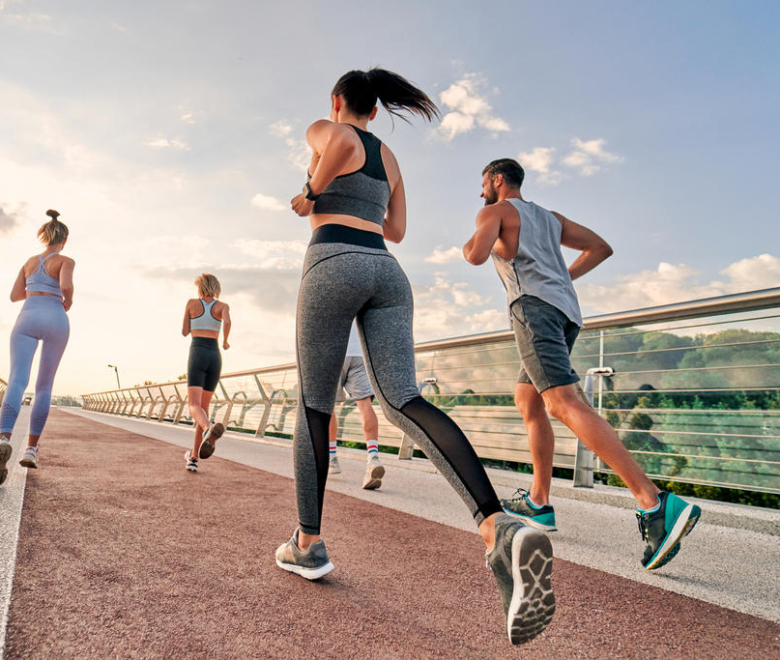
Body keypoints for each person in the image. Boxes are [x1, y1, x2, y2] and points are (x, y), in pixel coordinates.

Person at [277, 68, 554, 645]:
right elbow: (397, 229)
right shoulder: (392, 158)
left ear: (338, 102)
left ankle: (307, 543)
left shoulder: (328, 129)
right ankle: (496, 526)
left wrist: (308, 195)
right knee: (403, 399)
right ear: (377, 110)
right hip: (387, 271)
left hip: (332, 262)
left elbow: (325, 166)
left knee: (314, 406)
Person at [462, 158, 700, 570]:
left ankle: (655, 502)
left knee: (562, 403)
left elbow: (474, 256)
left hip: (532, 310)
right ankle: (539, 501)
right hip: (565, 312)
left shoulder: (495, 210)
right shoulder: (550, 218)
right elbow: (600, 248)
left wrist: (479, 231)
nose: (480, 190)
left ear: (497, 180)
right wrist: (562, 277)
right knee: (529, 400)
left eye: (483, 182)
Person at [0, 209, 73, 486]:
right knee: (44, 386)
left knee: (17, 380)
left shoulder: (29, 261)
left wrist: (34, 288)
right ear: (64, 239)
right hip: (55, 316)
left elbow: (14, 296)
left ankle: (3, 437)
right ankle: (32, 449)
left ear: (44, 236)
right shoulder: (66, 260)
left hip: (28, 314)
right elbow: (66, 287)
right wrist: (66, 299)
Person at [181, 273, 231, 472]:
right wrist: (226, 340)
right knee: (203, 408)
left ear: (200, 288)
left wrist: (192, 318)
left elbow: (185, 331)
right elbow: (227, 322)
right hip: (215, 355)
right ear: (216, 287)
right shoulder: (223, 306)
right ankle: (194, 457)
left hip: (198, 351)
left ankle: (209, 429)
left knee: (193, 405)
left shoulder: (192, 304)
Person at [327, 321, 385, 490]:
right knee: (365, 405)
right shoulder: (360, 294)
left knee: (327, 405)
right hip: (360, 354)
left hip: (334, 352)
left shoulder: (326, 294)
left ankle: (331, 458)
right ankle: (373, 457)